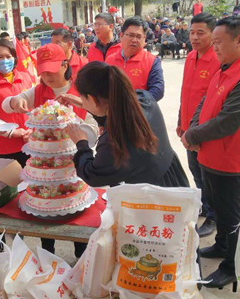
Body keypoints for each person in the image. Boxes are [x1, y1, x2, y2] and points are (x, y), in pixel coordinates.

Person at [181, 16, 240, 290]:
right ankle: (221, 246)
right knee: (217, 208)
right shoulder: (226, 67)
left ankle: (232, 266)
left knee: (231, 217)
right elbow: (205, 101)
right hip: (210, 156)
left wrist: (193, 135)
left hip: (231, 162)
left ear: (239, 40)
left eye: (218, 41)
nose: (214, 46)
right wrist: (192, 128)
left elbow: (228, 121)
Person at [2, 43, 96, 259]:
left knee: (76, 223)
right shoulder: (38, 91)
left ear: (65, 65)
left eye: (51, 70)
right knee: (46, 225)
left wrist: (70, 121)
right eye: (43, 71)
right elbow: (7, 104)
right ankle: (47, 258)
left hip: (74, 166)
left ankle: (80, 258)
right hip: (44, 171)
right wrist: (16, 101)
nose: (47, 76)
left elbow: (92, 135)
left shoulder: (81, 92)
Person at [61, 61, 189, 189]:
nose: (82, 101)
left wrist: (81, 143)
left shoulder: (114, 140)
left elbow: (93, 174)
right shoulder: (143, 98)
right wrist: (84, 104)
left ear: (93, 99)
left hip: (151, 194)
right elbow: (115, 115)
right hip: (172, 178)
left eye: (83, 98)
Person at [177, 13, 220, 238]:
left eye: (200, 33)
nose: (194, 37)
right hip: (188, 127)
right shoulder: (191, 56)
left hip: (203, 131)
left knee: (208, 175)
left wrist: (198, 131)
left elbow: (214, 102)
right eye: (192, 32)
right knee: (195, 171)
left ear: (213, 34)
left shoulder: (218, 60)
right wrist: (180, 121)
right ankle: (205, 204)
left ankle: (214, 215)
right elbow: (186, 92)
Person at [0, 39, 33, 166]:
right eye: (0, 57)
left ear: (14, 57)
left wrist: (33, 130)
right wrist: (10, 131)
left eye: (8, 56)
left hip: (30, 140)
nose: (5, 60)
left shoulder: (26, 77)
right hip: (5, 144)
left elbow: (36, 107)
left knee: (34, 175)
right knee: (11, 177)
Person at [105, 16, 165, 101]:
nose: (134, 40)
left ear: (144, 39)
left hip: (140, 108)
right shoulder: (110, 60)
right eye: (131, 35)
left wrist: (132, 103)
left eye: (138, 36)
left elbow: (158, 90)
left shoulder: (152, 61)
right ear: (121, 36)